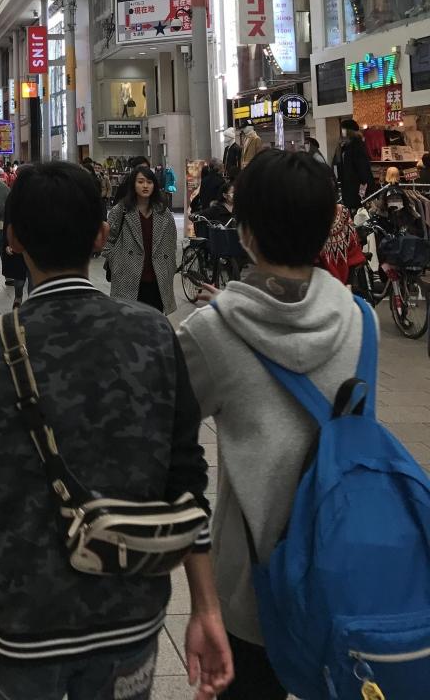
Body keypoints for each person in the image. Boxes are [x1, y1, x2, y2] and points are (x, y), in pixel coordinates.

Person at [0, 161, 233, 700]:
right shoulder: (154, 335)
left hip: (16, 619)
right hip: (127, 613)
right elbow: (185, 476)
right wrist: (206, 607)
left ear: (13, 239)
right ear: (101, 236)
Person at [177, 149, 377, 699]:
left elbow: (165, 446)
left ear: (245, 232)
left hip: (250, 590)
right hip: (345, 570)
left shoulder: (210, 333)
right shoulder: (361, 320)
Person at [104, 165, 179, 314]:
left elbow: (171, 242)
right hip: (127, 277)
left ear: (154, 185)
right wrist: (116, 261)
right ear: (133, 184)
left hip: (157, 278)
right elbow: (107, 240)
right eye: (140, 181)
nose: (145, 186)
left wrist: (169, 267)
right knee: (130, 319)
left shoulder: (163, 212)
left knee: (155, 319)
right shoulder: (121, 210)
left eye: (149, 182)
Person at [334, 118, 375, 205]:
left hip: (355, 185)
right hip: (348, 184)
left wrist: (365, 185)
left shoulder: (356, 144)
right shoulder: (345, 145)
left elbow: (362, 166)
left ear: (349, 130)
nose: (342, 131)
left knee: (357, 208)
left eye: (344, 129)